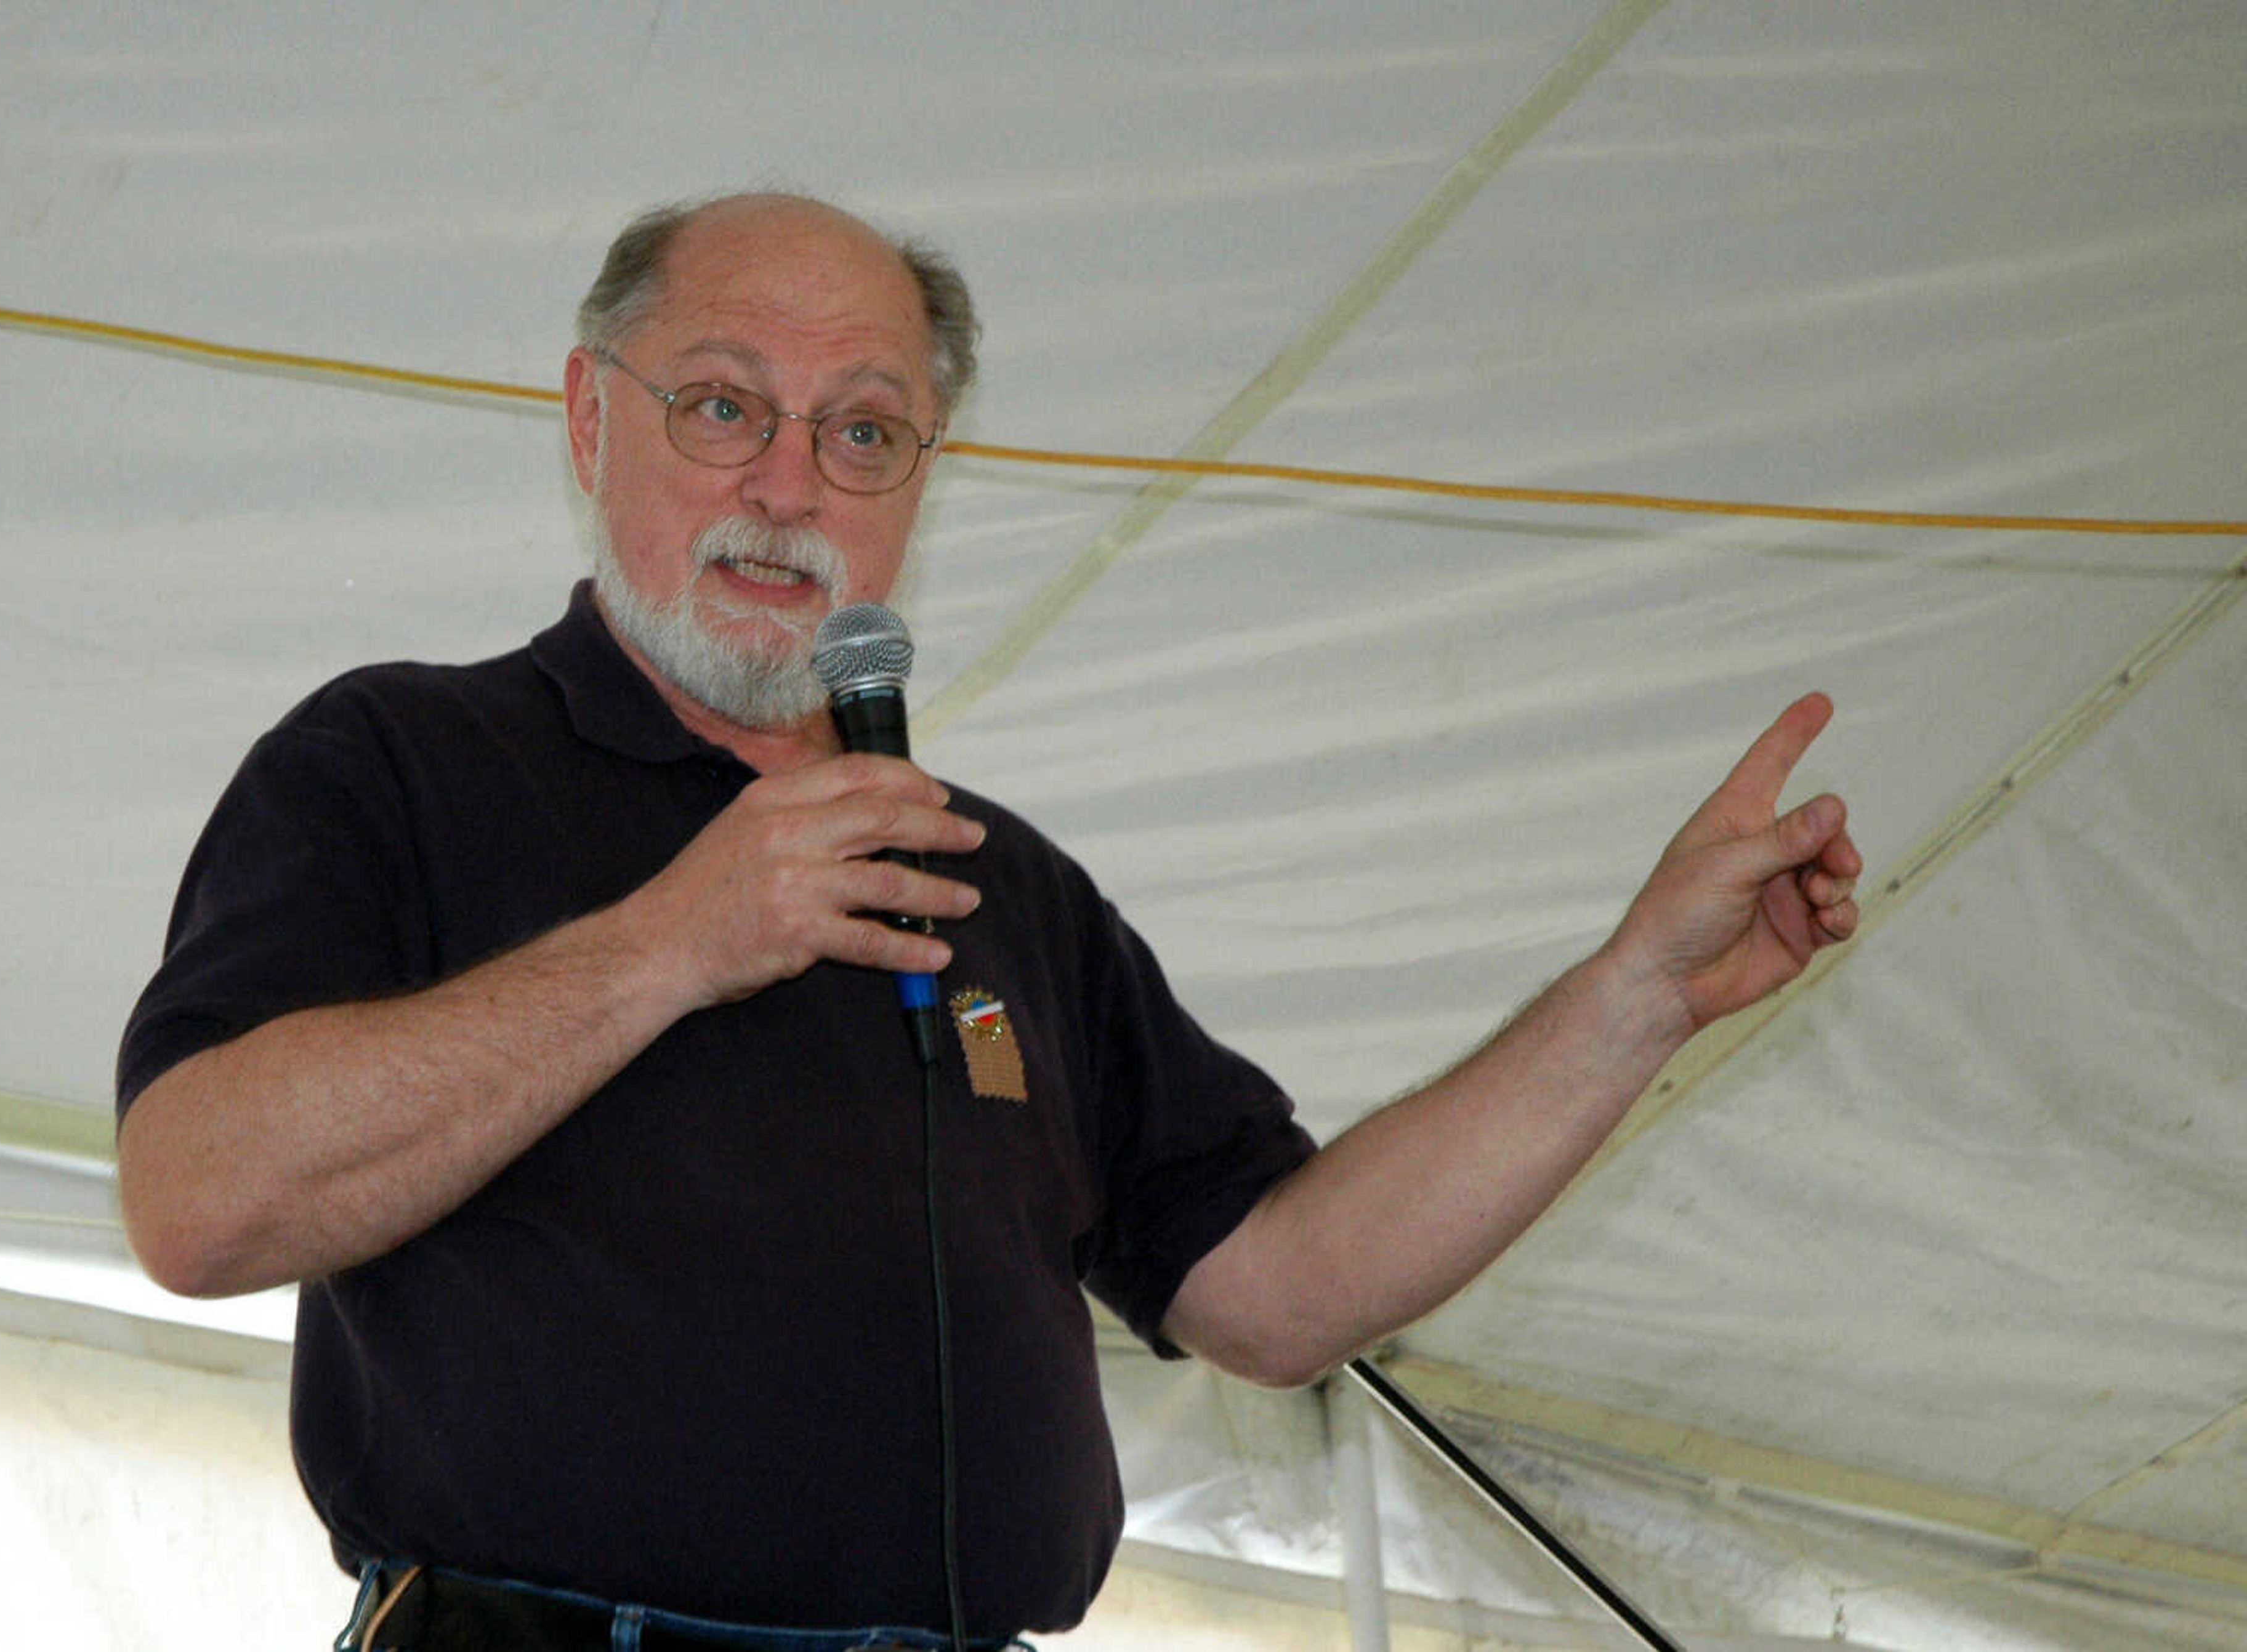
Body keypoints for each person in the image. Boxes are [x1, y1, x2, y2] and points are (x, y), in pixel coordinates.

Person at [116, 192, 1861, 1651]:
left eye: (863, 431)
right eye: (725, 407)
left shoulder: (998, 883)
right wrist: (677, 937)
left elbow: (1277, 1292)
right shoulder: (399, 759)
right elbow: (197, 1199)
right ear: (589, 417)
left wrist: (1635, 994)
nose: (790, 487)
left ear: (920, 486)